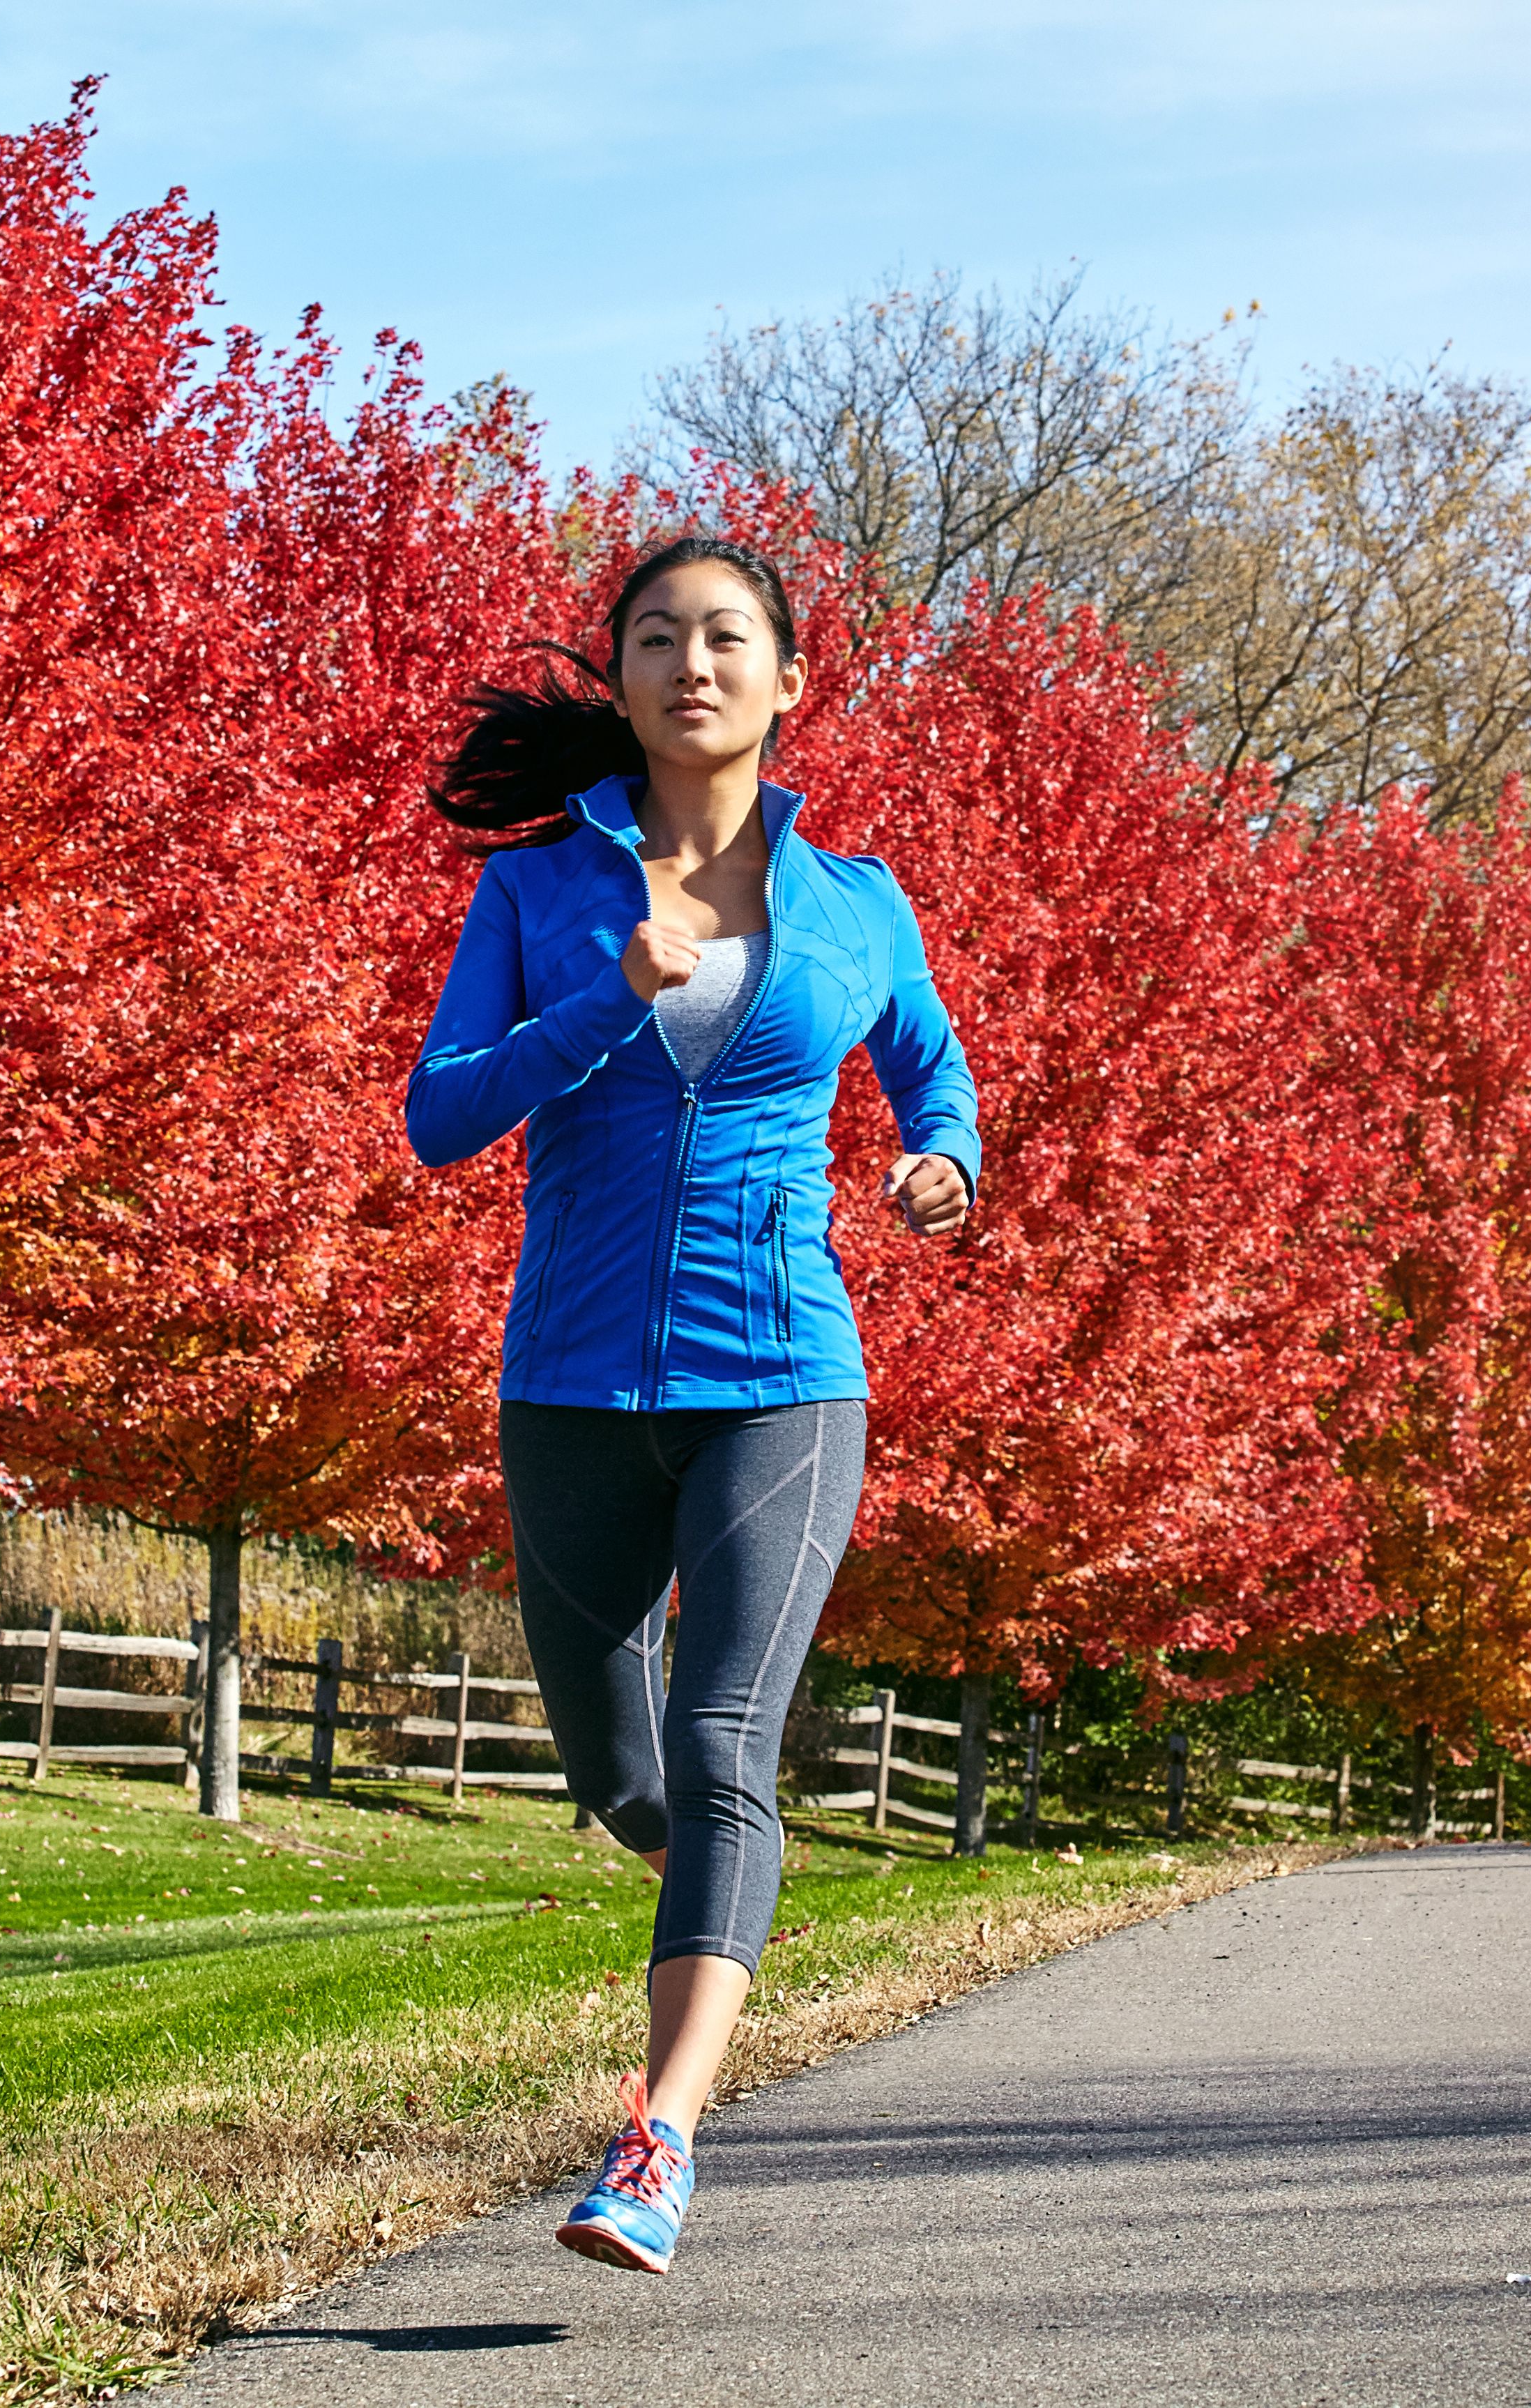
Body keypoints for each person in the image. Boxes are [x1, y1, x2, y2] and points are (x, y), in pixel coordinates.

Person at [406, 535, 980, 2274]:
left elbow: (929, 1065)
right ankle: (725, 1878)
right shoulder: (533, 895)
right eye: (655, 638)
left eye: (725, 637)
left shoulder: (855, 900)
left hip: (783, 1373)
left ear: (785, 677)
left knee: (728, 1739)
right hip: (570, 1379)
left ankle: (656, 2135)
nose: (690, 663)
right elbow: (439, 1115)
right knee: (624, 1766)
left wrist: (939, 1157)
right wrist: (606, 994)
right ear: (627, 679)